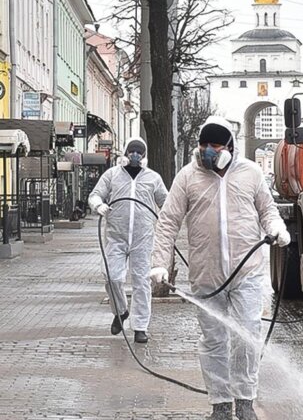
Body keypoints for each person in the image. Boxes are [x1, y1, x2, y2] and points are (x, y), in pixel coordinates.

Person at [148, 116, 290, 420]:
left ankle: (244, 400)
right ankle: (221, 404)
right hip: (206, 275)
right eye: (204, 144)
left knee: (247, 335)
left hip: (247, 272)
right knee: (214, 341)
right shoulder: (188, 177)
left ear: (229, 146)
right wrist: (159, 264)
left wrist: (277, 227)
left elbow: (267, 210)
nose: (209, 150)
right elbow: (167, 222)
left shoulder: (250, 173)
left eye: (215, 145)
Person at [89, 137, 168, 344]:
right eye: (131, 151)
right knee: (111, 277)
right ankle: (121, 311)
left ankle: (140, 327)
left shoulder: (153, 178)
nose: (134, 155)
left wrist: (170, 224)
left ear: (144, 155)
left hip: (143, 238)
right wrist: (99, 206)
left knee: (142, 282)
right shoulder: (112, 175)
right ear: (125, 153)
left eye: (138, 152)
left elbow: (166, 203)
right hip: (116, 236)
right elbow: (95, 194)